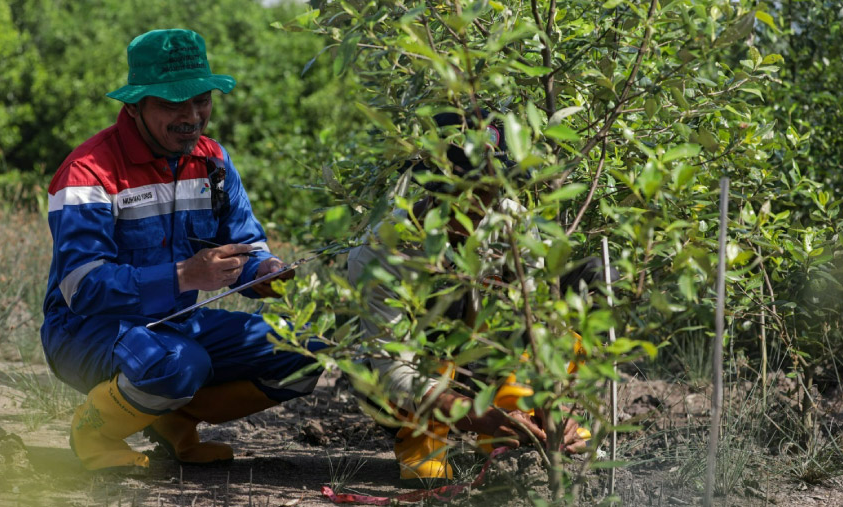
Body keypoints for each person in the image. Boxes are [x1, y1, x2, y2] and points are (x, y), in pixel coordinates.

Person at [41, 29, 325, 473]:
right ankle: (95, 431)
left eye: (202, 100)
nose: (192, 116)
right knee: (180, 363)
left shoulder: (213, 161)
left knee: (306, 348)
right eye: (173, 104)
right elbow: (82, 288)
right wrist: (182, 277)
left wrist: (264, 270)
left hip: (178, 325)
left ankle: (173, 421)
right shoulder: (88, 172)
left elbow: (246, 245)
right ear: (135, 106)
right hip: (86, 331)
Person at [346, 111, 597, 482]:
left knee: (591, 281)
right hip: (415, 378)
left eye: (490, 190)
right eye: (465, 191)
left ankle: (516, 413)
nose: (480, 204)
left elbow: (536, 322)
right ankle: (423, 438)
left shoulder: (513, 225)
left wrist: (550, 403)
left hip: (485, 370)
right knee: (447, 296)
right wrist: (478, 414)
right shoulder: (383, 250)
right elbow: (393, 369)